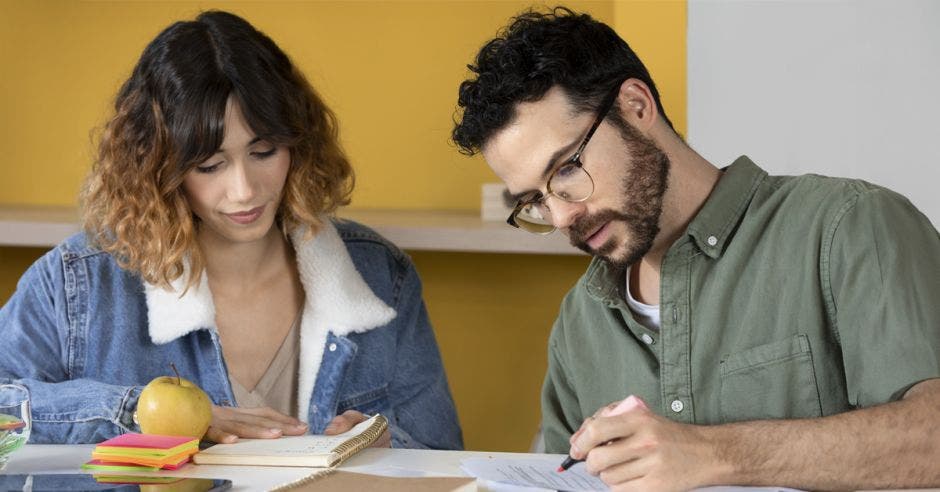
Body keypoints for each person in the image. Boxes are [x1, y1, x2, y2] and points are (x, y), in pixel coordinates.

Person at [452, 7, 939, 491]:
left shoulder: (848, 226)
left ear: (636, 106)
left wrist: (716, 453)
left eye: (565, 170)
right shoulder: (580, 321)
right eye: (535, 201)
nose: (561, 217)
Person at [0, 10, 462, 450]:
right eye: (209, 164)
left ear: (298, 143)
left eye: (264, 152)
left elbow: (443, 454)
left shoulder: (380, 273)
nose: (243, 191)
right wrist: (142, 412)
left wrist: (388, 446)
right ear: (157, 168)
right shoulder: (78, 283)